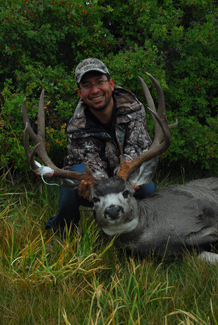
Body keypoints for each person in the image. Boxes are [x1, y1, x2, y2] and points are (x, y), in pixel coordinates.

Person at [45, 58, 157, 233]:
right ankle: (61, 230)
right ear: (79, 92)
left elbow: (138, 148)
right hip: (99, 185)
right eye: (87, 85)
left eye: (99, 82)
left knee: (148, 189)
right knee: (73, 182)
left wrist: (126, 178)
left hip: (125, 178)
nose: (95, 90)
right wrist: (93, 188)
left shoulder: (133, 110)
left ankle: (142, 229)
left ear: (111, 84)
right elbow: (89, 164)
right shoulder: (76, 128)